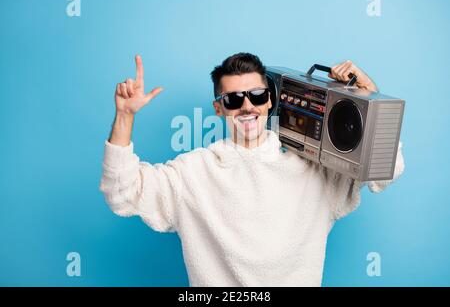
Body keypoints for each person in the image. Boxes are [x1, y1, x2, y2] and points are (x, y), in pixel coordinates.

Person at [99, 53, 404, 286]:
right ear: (219, 108)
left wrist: (368, 96)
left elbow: (382, 171)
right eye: (233, 99)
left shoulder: (314, 171)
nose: (247, 107)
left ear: (269, 100)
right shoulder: (192, 173)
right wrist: (124, 116)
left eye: (256, 96)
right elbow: (123, 193)